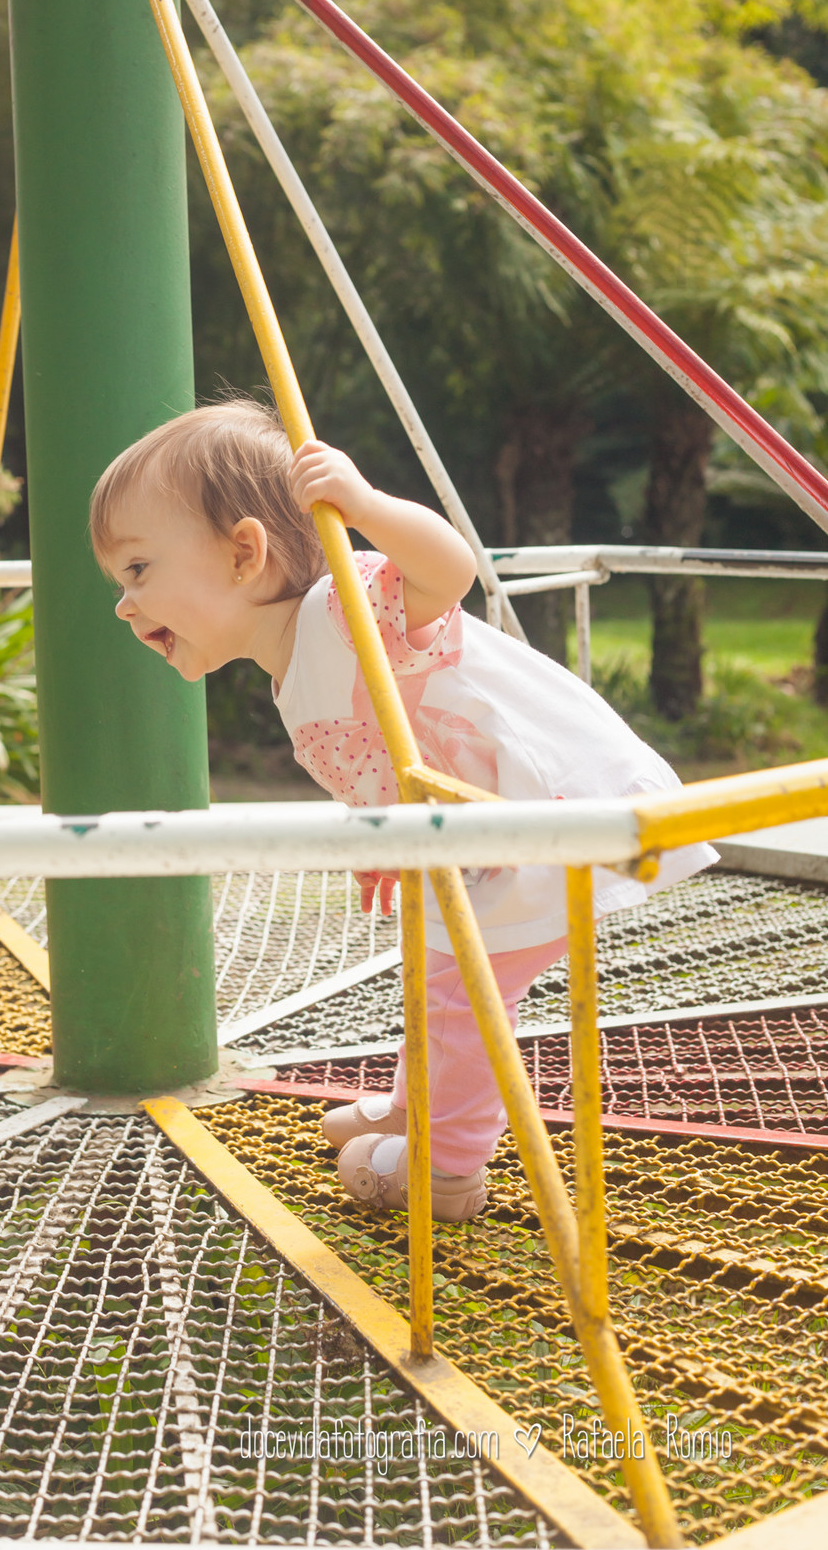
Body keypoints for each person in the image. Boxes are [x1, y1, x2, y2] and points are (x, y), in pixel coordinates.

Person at [89, 398, 715, 1222]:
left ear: (245, 554)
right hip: (482, 829)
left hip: (556, 816)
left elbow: (446, 572)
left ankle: (447, 1168)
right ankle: (417, 1103)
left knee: (461, 994)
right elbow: (388, 751)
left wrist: (364, 507)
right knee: (435, 972)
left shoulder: (344, 613)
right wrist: (383, 833)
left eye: (137, 571)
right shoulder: (291, 663)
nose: (123, 607)